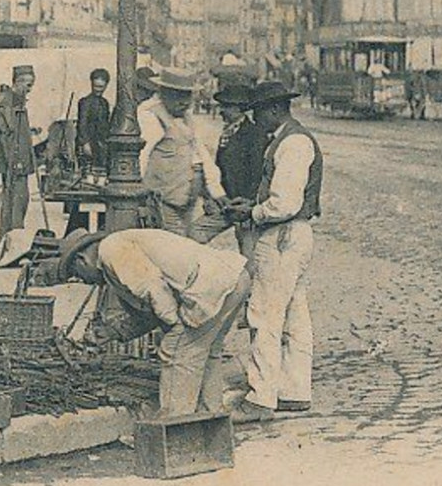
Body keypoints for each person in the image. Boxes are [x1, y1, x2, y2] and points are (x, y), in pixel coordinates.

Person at [36, 228, 251, 416]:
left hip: (212, 286)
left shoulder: (112, 249)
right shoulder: (113, 263)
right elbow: (148, 315)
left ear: (82, 259)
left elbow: (153, 288)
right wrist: (113, 332)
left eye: (77, 274)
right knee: (205, 352)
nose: (83, 280)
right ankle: (211, 418)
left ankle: (174, 425)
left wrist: (174, 326)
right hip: (232, 279)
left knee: (176, 353)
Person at [224, 80, 324, 423]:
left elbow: (284, 203)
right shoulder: (288, 138)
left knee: (264, 315)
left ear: (273, 110)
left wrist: (252, 212)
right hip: (295, 236)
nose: (256, 120)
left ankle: (261, 397)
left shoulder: (292, 143)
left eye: (258, 112)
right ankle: (295, 390)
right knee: (295, 315)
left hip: (281, 236)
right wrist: (253, 203)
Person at [138, 68, 225, 238]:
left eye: (188, 96)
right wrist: (139, 196)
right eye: (178, 95)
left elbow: (201, 154)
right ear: (163, 93)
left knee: (182, 242)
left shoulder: (187, 118)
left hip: (186, 200)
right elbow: (142, 156)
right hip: (163, 200)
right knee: (173, 245)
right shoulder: (150, 116)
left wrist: (216, 191)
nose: (185, 102)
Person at [210, 70, 267, 257]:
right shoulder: (228, 132)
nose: (221, 111)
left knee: (248, 252)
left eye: (225, 107)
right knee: (194, 234)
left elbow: (258, 172)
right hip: (227, 202)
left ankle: (250, 284)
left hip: (245, 206)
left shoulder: (253, 134)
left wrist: (249, 202)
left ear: (238, 109)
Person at [0, 64, 38, 238]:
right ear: (18, 82)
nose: (30, 90)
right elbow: (6, 134)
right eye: (28, 85)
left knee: (18, 201)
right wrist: (15, 160)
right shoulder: (7, 102)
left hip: (20, 161)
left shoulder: (18, 101)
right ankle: (13, 242)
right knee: (16, 203)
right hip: (14, 163)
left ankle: (10, 241)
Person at [76, 68, 112, 184]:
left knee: (102, 168)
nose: (98, 90)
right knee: (88, 169)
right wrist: (85, 142)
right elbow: (82, 123)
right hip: (90, 140)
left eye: (101, 87)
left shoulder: (105, 103)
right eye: (95, 86)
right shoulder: (85, 102)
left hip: (101, 141)